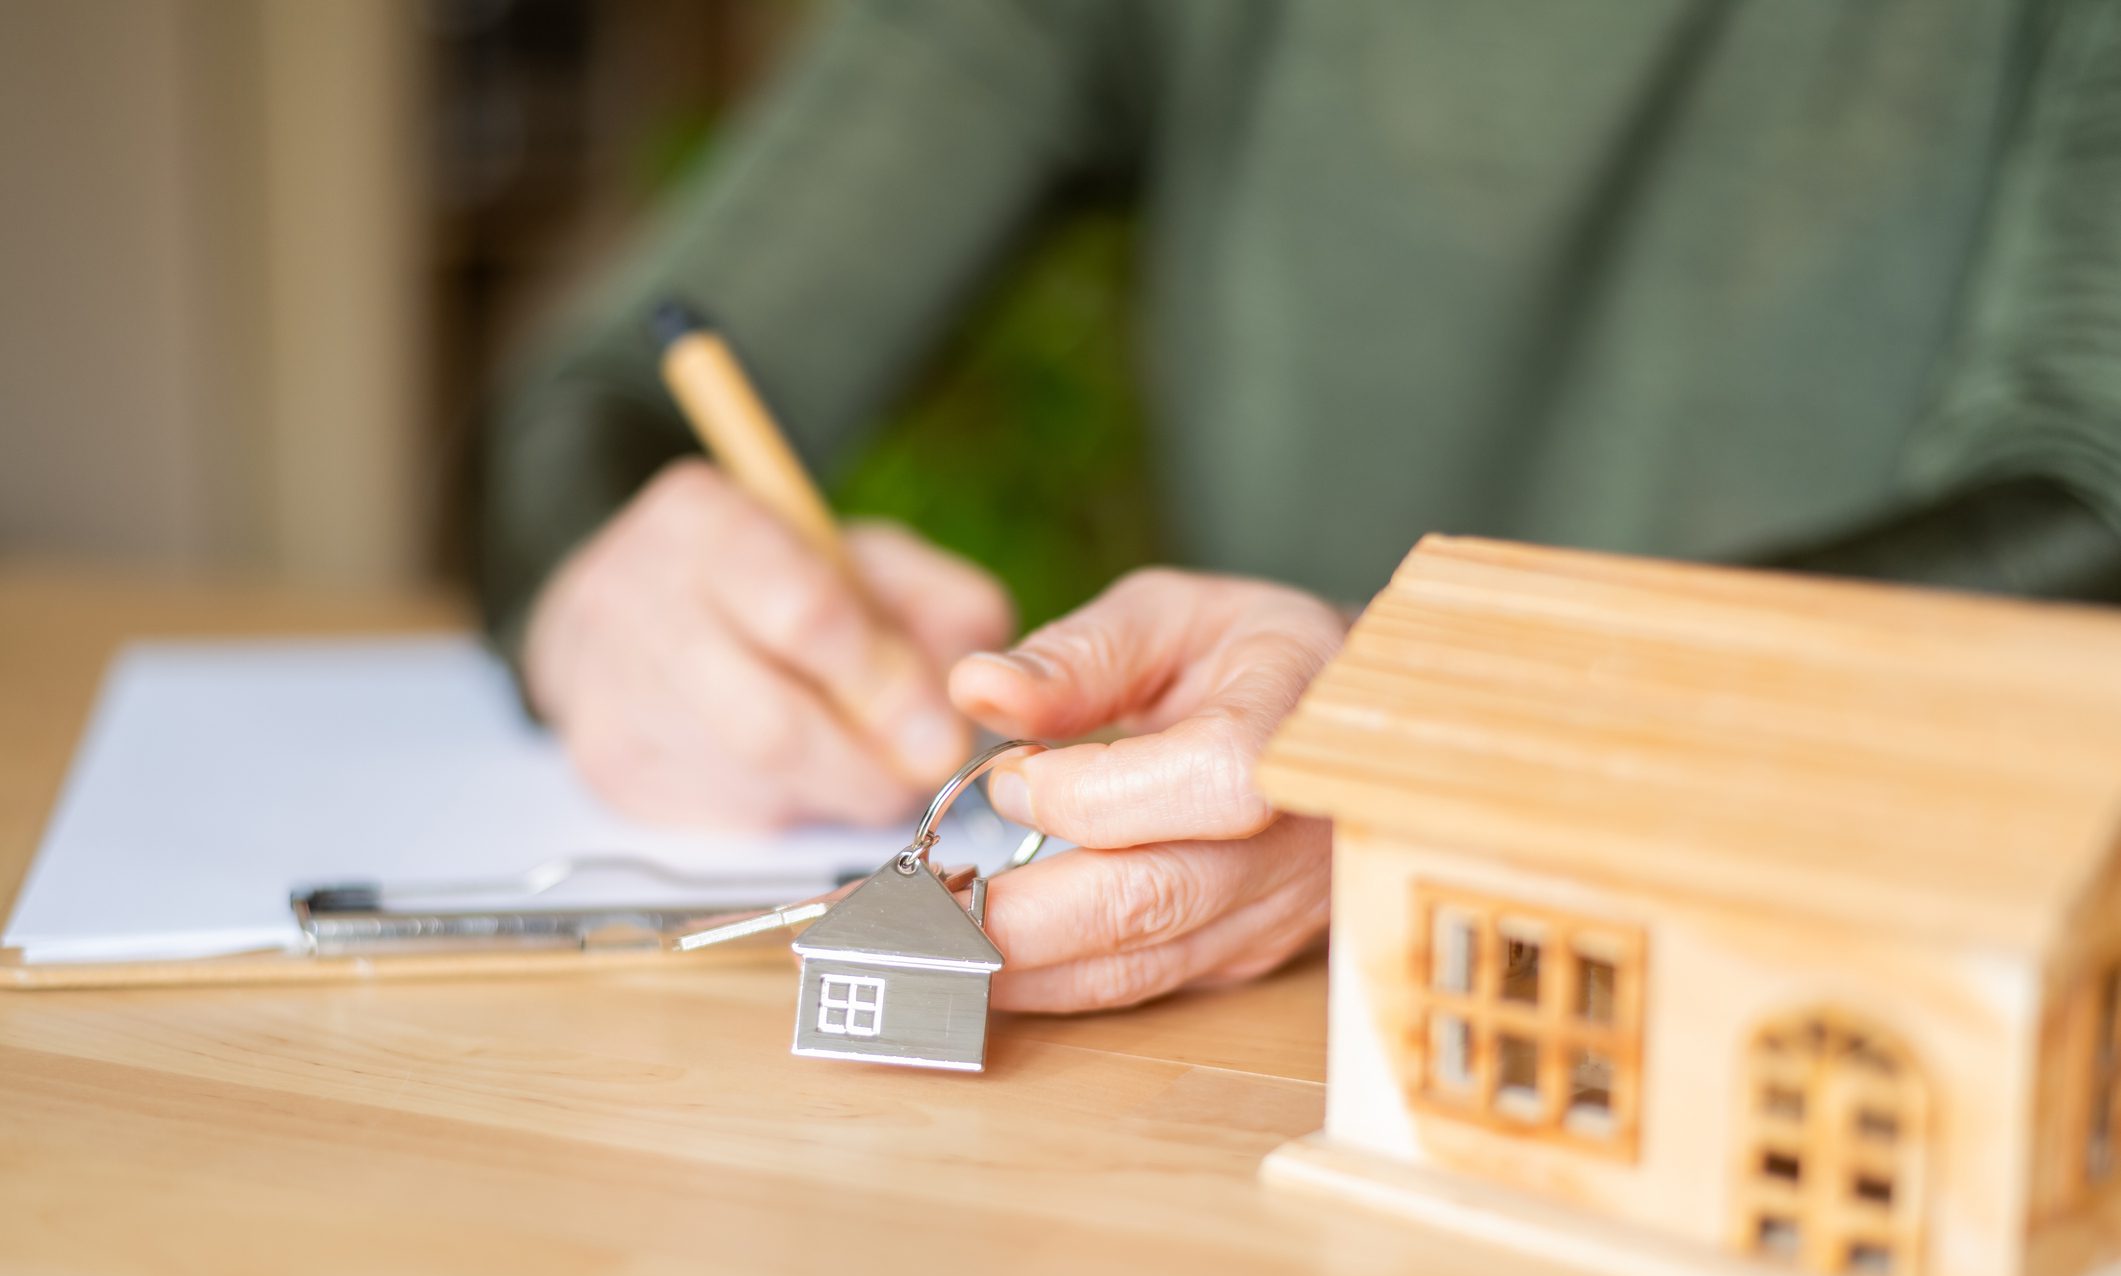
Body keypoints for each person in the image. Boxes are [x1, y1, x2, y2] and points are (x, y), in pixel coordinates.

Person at [480, 0, 2121, 1012]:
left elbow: (2086, 507)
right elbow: (602, 383)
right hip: (1243, 1085)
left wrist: (1423, 733)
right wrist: (612, 585)